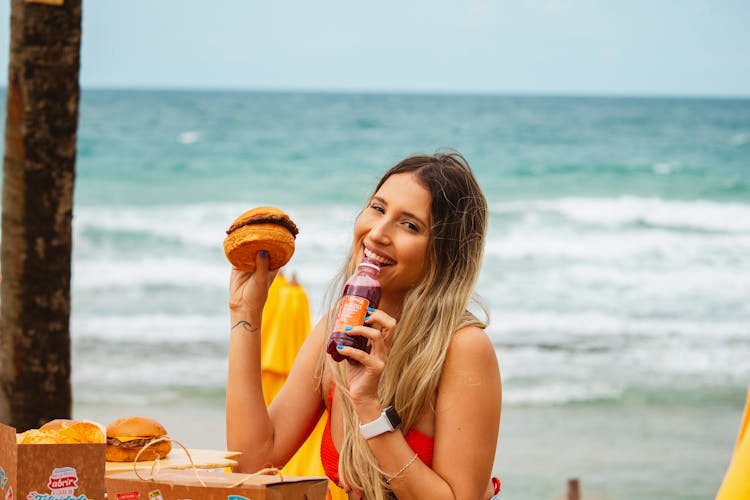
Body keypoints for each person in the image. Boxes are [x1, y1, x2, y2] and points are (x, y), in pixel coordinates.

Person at [226, 152, 502, 499]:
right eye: (377, 208)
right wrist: (245, 313)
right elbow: (251, 461)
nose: (378, 233)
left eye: (409, 225)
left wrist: (369, 407)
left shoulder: (462, 348)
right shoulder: (336, 330)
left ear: (443, 254)